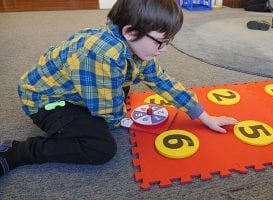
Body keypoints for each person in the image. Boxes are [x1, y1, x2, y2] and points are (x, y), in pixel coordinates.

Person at [0, 0, 238, 177]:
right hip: (46, 100)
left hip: (79, 87)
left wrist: (202, 115)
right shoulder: (102, 54)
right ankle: (18, 152)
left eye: (169, 42)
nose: (164, 49)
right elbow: (107, 109)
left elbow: (162, 80)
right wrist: (117, 118)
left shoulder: (129, 44)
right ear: (130, 32)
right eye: (161, 42)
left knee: (123, 88)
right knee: (100, 148)